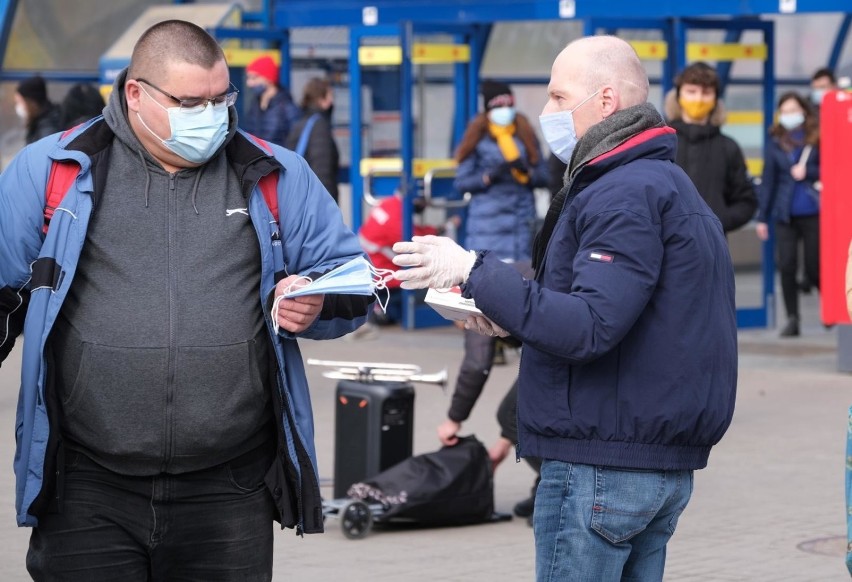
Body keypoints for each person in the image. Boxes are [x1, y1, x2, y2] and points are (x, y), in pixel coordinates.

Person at [0, 20, 373, 580]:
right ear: (136, 93)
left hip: (229, 489)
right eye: (191, 101)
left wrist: (316, 301)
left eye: (222, 97)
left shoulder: (272, 172)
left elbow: (356, 279)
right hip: (86, 488)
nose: (213, 115)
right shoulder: (52, 170)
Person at [392, 35, 738, 581]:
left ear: (605, 101)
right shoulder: (660, 183)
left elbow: (590, 327)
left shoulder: (623, 191)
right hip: (642, 461)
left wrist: (472, 270)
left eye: (557, 96)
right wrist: (508, 318)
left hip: (603, 465)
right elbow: (620, 315)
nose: (545, 112)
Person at [755, 92, 821, 338]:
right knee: (787, 265)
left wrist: (809, 170)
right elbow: (769, 182)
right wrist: (763, 217)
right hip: (785, 215)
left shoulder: (816, 140)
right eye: (785, 111)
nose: (790, 115)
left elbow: (831, 168)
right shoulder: (774, 144)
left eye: (794, 109)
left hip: (813, 211)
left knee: (815, 267)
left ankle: (830, 309)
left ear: (803, 112)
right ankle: (793, 318)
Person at [664, 62, 757, 233]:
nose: (698, 99)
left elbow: (746, 200)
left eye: (706, 93)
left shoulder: (728, 147)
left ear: (715, 100)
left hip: (713, 245)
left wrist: (718, 221)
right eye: (691, 92)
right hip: (666, 245)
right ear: (678, 96)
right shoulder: (663, 143)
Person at [285, 77, 340, 203]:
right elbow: (322, 170)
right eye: (330, 96)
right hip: (315, 201)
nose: (332, 101)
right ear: (321, 100)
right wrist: (328, 206)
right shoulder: (319, 126)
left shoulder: (301, 122)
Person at [242, 54, 301, 146]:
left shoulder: (287, 108)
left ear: (268, 78)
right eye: (248, 78)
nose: (249, 83)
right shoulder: (255, 105)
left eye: (254, 78)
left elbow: (296, 143)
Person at [15, 74, 61, 144]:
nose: (18, 107)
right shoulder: (39, 122)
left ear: (32, 103)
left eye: (20, 102)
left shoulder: (47, 130)